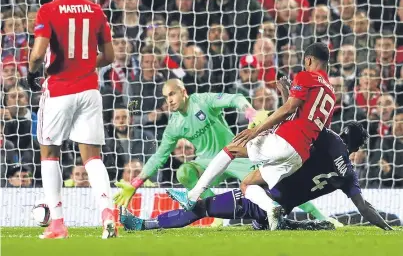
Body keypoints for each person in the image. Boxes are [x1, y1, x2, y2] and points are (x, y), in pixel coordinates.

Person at [114, 78, 341, 226]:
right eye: (165, 97)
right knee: (184, 172)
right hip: (206, 161)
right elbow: (160, 155)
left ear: (183, 91)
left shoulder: (203, 101)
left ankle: (321, 216)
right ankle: (215, 216)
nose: (169, 100)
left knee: (278, 185)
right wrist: (136, 182)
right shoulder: (174, 125)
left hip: (235, 154)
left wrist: (249, 111)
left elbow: (235, 98)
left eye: (172, 94)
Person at [166, 43, 336, 230]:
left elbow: (289, 108)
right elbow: (313, 124)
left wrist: (254, 131)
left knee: (231, 148)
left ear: (309, 60)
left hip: (286, 141)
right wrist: (286, 93)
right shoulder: (330, 93)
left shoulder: (305, 76)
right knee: (247, 184)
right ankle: (272, 210)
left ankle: (192, 196)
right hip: (299, 155)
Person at [120, 122, 392, 232]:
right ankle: (289, 223)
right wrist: (388, 228)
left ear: (344, 133)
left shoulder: (329, 139)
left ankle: (143, 225)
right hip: (284, 202)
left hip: (266, 195)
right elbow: (364, 208)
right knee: (255, 214)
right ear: (357, 147)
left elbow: (302, 123)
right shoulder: (349, 176)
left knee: (201, 207)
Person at [27, 0, 116, 239]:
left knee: (50, 152)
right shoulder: (96, 10)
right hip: (89, 91)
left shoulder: (49, 10)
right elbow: (110, 56)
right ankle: (107, 214)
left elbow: (39, 51)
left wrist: (31, 72)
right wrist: (88, 66)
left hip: (59, 91)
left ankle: (57, 223)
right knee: (92, 158)